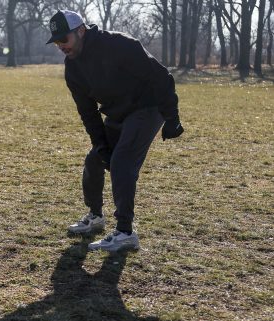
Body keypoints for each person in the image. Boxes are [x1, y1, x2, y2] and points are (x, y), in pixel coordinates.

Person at [46, 10, 184, 252]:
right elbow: (88, 112)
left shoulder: (119, 45)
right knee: (94, 160)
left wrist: (172, 117)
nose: (61, 46)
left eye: (64, 39)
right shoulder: (73, 69)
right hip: (117, 113)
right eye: (56, 42)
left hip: (147, 107)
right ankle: (96, 216)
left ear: (80, 31)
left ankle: (125, 233)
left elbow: (160, 77)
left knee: (122, 161)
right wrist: (101, 146)